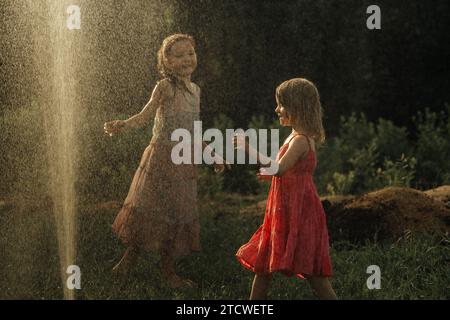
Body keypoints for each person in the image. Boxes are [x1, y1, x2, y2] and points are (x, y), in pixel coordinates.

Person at [104, 34, 228, 289]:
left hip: (182, 161)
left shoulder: (196, 91)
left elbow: (194, 132)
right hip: (161, 157)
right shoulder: (165, 87)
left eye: (190, 53)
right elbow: (144, 115)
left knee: (174, 214)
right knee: (150, 212)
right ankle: (132, 265)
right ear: (167, 61)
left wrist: (212, 154)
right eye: (179, 55)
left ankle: (166, 272)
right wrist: (123, 125)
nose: (187, 59)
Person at [234, 78, 337, 299]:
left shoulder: (300, 140)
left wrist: (249, 150)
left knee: (314, 274)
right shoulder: (293, 137)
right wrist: (270, 175)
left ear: (297, 107)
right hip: (283, 211)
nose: (277, 109)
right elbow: (288, 171)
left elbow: (280, 169)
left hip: (298, 213)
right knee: (263, 265)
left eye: (281, 104)